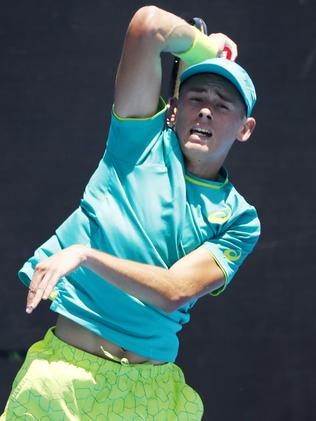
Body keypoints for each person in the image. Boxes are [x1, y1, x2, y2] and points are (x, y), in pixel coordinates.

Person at [1, 5, 260, 420]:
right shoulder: (136, 144)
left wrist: (86, 256)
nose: (207, 110)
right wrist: (203, 50)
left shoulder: (239, 219)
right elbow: (149, 26)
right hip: (63, 382)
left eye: (224, 104)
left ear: (245, 128)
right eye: (197, 97)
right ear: (174, 110)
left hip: (152, 397)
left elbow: (174, 291)